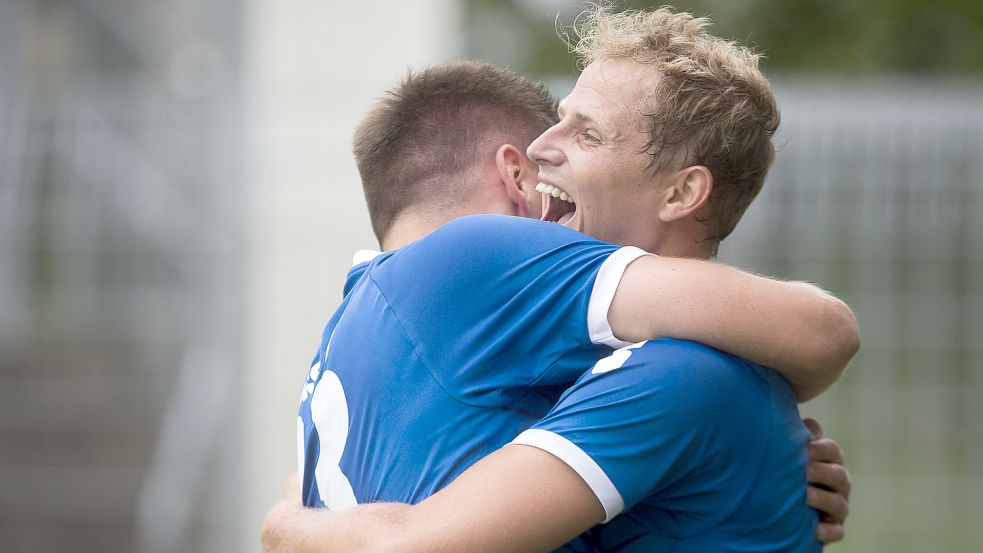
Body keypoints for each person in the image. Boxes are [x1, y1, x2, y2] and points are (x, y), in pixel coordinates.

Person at [265, 6, 856, 552]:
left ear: (681, 192)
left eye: (587, 132)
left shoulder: (675, 374)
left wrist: (285, 524)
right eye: (559, 121)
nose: (541, 147)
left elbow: (824, 332)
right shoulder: (646, 374)